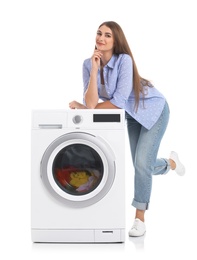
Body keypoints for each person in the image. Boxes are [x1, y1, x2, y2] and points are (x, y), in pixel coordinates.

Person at [69, 21, 185, 237]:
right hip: (132, 116)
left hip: (153, 109)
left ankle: (139, 219)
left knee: (142, 165)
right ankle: (171, 163)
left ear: (116, 41)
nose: (101, 38)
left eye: (107, 35)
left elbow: (118, 102)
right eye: (99, 33)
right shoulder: (87, 64)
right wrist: (94, 71)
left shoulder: (124, 60)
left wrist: (86, 107)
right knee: (143, 166)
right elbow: (93, 102)